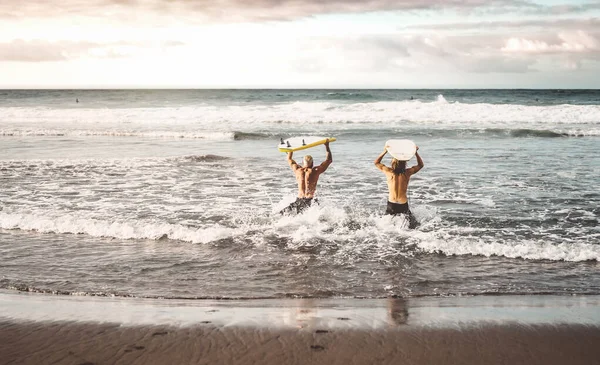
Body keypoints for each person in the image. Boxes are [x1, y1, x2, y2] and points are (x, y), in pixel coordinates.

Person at [374, 145, 424, 228]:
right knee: (413, 225)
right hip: (402, 203)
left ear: (393, 162)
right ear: (404, 163)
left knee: (386, 223)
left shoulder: (388, 172)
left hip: (392, 203)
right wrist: (415, 153)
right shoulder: (407, 173)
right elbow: (420, 165)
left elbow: (376, 162)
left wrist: (385, 151)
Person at [280, 140, 332, 215]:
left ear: (302, 162)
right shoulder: (315, 171)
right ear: (312, 163)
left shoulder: (297, 170)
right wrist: (327, 146)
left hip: (299, 200)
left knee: (282, 214)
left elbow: (289, 159)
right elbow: (329, 160)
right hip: (310, 201)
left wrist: (290, 150)